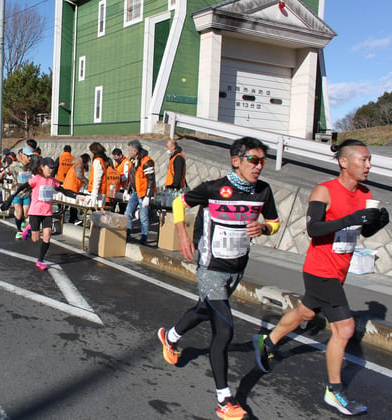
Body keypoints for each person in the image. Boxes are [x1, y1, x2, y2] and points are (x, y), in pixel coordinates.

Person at [252, 139, 389, 416]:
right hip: (319, 269)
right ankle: (334, 391)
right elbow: (314, 229)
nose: (368, 165)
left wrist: (375, 222)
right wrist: (352, 218)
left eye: (369, 160)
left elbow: (364, 233)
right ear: (344, 162)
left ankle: (269, 340)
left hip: (338, 269)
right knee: (345, 329)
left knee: (305, 313)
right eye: (363, 159)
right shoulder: (323, 191)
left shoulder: (365, 193)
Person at [157, 137, 280, 420]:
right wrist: (183, 236)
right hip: (211, 266)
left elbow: (273, 222)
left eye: (263, 161)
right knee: (224, 330)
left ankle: (170, 336)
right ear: (236, 160)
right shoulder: (214, 188)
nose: (259, 166)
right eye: (254, 160)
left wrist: (264, 229)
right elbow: (179, 203)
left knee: (205, 309)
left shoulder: (263, 191)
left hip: (237, 267)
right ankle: (225, 400)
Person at [17, 157, 61, 270]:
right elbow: (24, 186)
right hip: (35, 211)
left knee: (47, 235)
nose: (51, 170)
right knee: (35, 239)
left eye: (53, 168)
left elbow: (63, 188)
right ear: (42, 167)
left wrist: (78, 195)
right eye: (49, 167)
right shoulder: (36, 179)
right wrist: (11, 198)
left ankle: (40, 260)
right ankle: (29, 228)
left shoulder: (52, 180)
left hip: (47, 212)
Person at [0, 146, 35, 238]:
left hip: (27, 193)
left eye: (31, 156)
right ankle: (18, 230)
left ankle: (22, 220)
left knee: (26, 215)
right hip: (16, 193)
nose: (30, 158)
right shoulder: (15, 165)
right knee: (19, 213)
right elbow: (3, 173)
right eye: (28, 156)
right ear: (23, 156)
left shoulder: (32, 166)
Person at [124, 140, 156, 245]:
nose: (128, 152)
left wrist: (148, 196)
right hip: (135, 191)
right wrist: (127, 190)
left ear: (135, 151)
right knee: (127, 214)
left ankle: (144, 238)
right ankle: (127, 235)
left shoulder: (147, 162)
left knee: (143, 217)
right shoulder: (133, 161)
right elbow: (131, 177)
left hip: (143, 193)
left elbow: (151, 180)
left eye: (129, 150)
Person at [62, 153, 90, 224]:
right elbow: (78, 175)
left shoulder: (77, 164)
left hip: (70, 186)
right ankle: (73, 219)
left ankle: (72, 218)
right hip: (71, 187)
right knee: (74, 204)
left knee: (72, 204)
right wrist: (87, 182)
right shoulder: (79, 165)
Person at [87, 142, 108, 211]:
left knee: (97, 216)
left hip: (98, 193)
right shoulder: (102, 161)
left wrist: (94, 197)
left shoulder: (97, 162)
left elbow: (97, 180)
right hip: (101, 191)